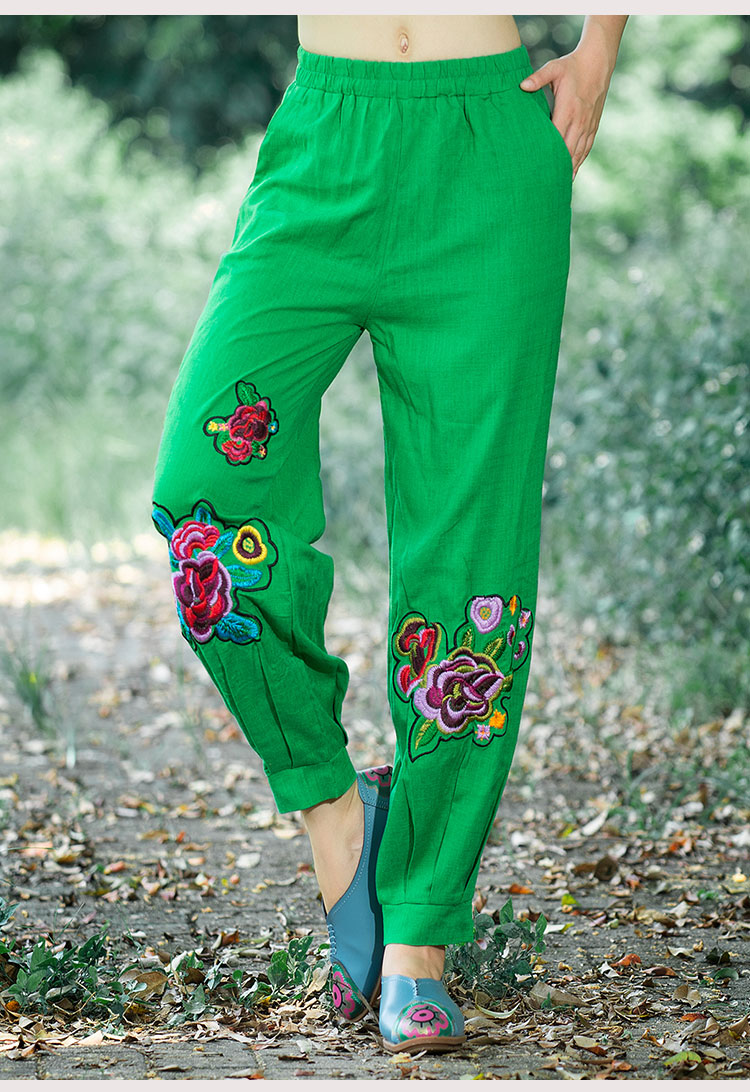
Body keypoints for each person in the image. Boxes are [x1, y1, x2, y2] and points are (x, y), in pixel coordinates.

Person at [151, 13, 628, 1054]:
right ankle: (337, 812)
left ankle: (418, 928)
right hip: (326, 139)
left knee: (471, 555)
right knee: (202, 494)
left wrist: (602, 45)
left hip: (490, 157)